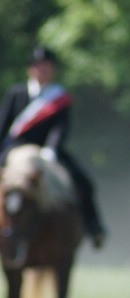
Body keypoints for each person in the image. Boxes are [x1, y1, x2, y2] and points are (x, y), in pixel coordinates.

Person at [0, 45, 106, 246]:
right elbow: (4, 124)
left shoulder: (59, 97)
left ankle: (94, 227)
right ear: (30, 69)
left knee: (84, 182)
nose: (42, 70)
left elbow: (60, 128)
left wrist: (51, 149)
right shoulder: (16, 93)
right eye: (38, 66)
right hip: (15, 150)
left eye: (47, 66)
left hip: (47, 152)